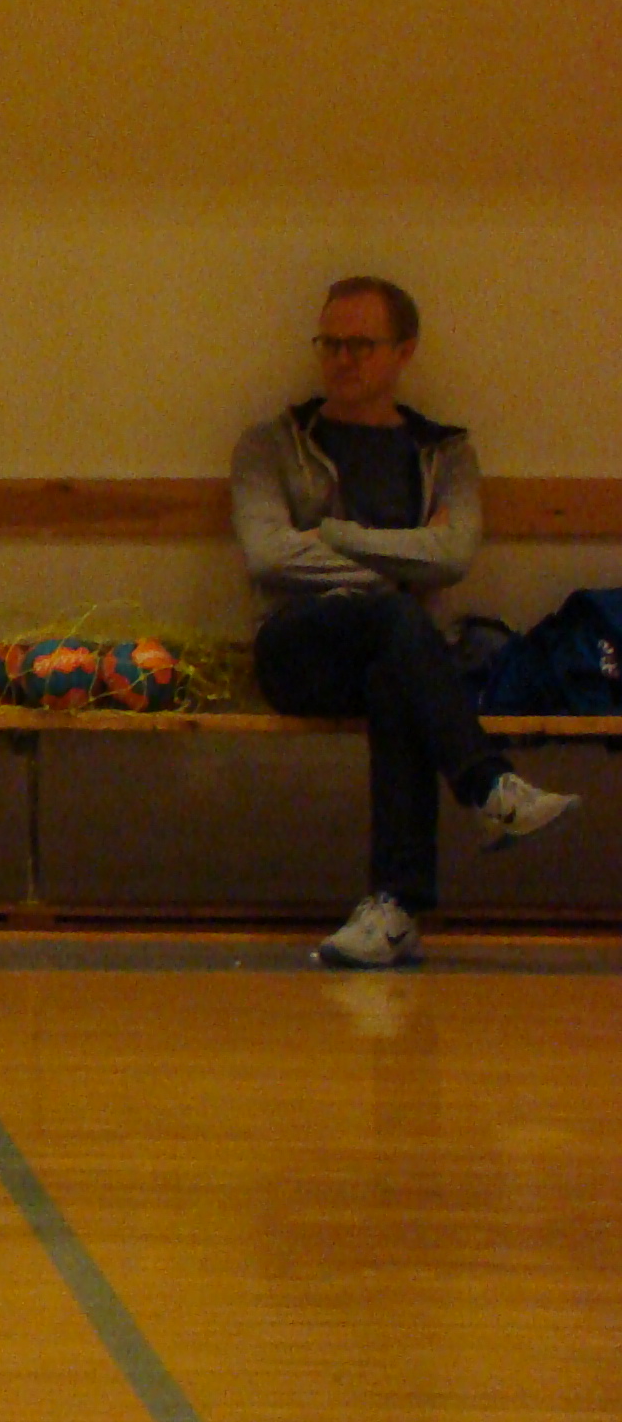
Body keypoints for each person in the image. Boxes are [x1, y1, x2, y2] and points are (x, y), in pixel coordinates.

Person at [233, 276, 577, 970]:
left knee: (398, 674)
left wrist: (332, 536)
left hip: (395, 657)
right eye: (330, 343)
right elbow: (269, 554)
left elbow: (453, 557)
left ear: (404, 351)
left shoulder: (445, 453)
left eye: (361, 345)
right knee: (398, 619)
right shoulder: (272, 444)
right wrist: (400, 566)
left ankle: (393, 911)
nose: (343, 359)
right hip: (299, 648)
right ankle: (487, 785)